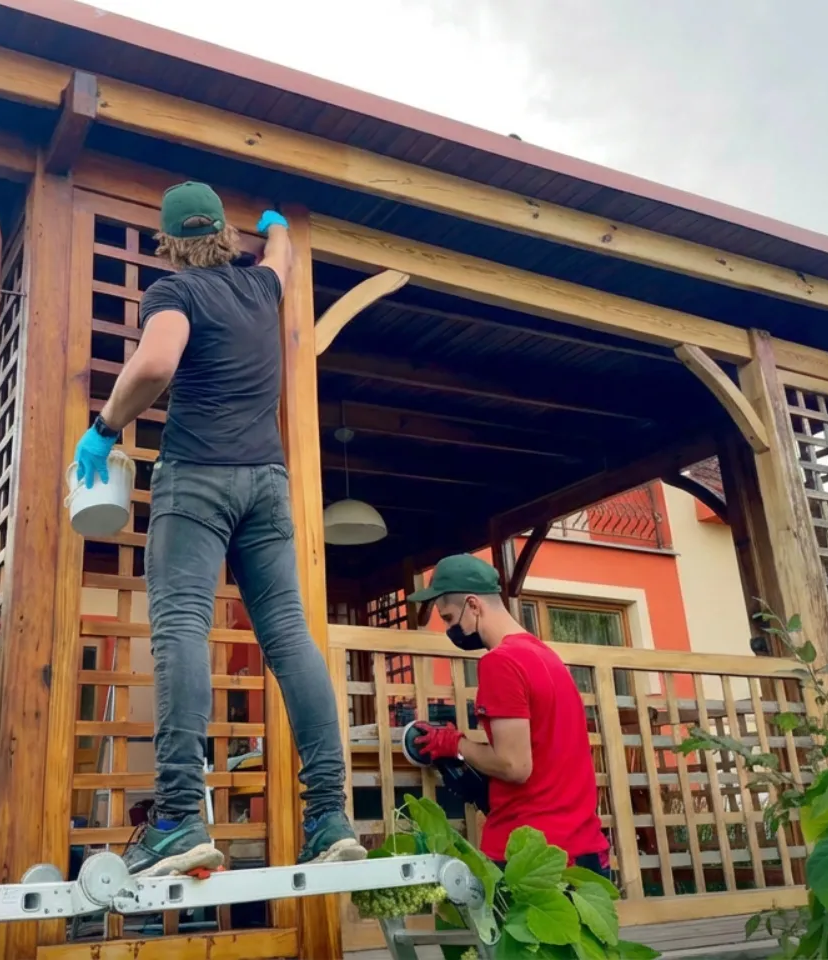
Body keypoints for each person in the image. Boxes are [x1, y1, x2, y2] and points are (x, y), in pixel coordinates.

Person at [73, 182, 365, 877]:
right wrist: (275, 225)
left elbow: (155, 363)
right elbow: (282, 254)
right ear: (226, 237)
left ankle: (179, 817)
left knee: (180, 627)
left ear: (170, 242)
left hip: (197, 477)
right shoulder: (262, 287)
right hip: (266, 482)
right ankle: (329, 816)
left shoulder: (174, 292)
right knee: (289, 635)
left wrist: (104, 428)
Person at [407, 554, 611, 875]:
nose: (448, 629)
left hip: (530, 859)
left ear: (473, 605)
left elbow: (514, 766)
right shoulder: (547, 657)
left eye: (448, 618)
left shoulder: (500, 662)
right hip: (583, 852)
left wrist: (455, 745)